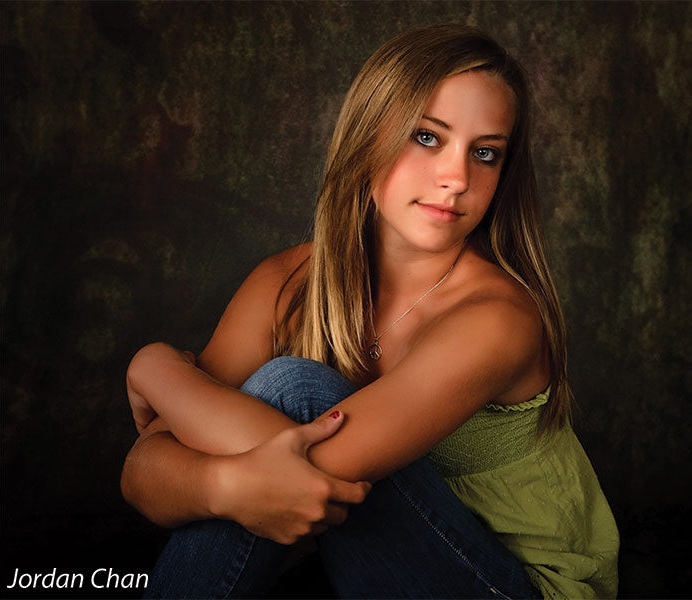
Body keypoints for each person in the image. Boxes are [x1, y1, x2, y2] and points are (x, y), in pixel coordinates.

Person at [121, 24, 619, 599]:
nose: (457, 178)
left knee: (294, 388)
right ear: (367, 135)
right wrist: (223, 486)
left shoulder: (498, 319)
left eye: (485, 153)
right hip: (367, 569)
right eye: (427, 137)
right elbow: (142, 474)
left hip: (515, 586)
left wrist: (157, 368)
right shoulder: (286, 284)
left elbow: (302, 484)